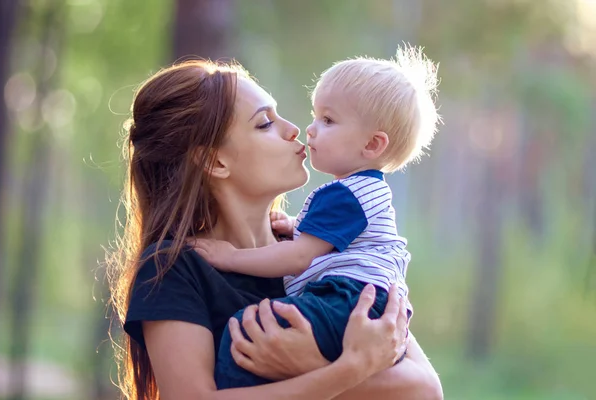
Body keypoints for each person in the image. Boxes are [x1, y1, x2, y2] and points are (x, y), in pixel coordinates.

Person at [107, 58, 443, 400]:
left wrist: (309, 364)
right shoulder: (175, 267)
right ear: (215, 161)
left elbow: (428, 390)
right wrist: (345, 371)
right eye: (265, 123)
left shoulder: (321, 251)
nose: (295, 129)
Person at [193, 45, 440, 389]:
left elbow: (297, 258)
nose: (307, 130)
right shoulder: (364, 192)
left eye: (327, 120)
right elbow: (339, 242)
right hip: (367, 304)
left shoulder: (343, 195)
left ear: (372, 145)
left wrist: (231, 257)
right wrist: (297, 226)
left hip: (348, 301)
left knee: (247, 333)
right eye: (316, 116)